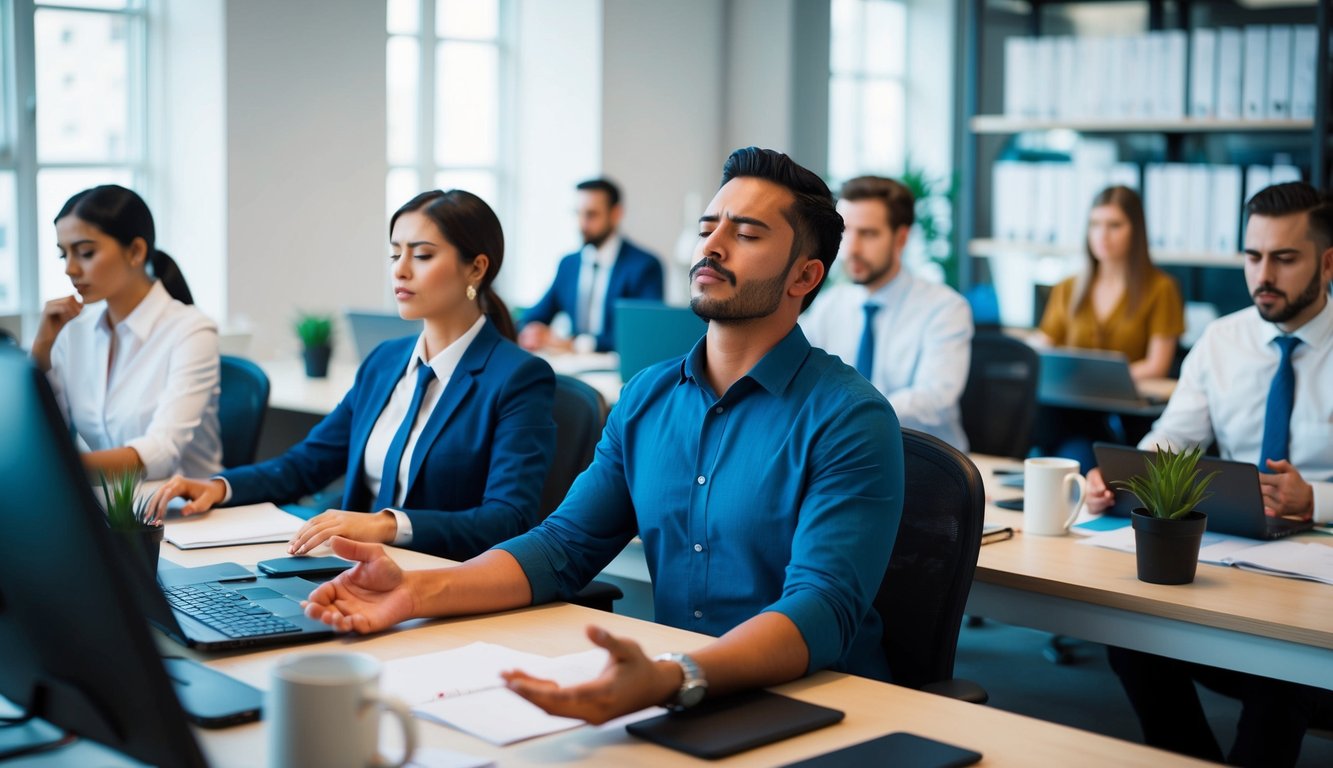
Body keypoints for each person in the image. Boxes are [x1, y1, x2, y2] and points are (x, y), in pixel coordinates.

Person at [305, 148, 904, 724]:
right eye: (706, 229)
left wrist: (677, 675)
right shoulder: (646, 398)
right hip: (678, 695)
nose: (712, 247)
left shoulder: (849, 418)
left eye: (746, 235)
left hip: (818, 705)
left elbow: (821, 609)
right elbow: (562, 546)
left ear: (805, 275)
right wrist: (415, 590)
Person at [148, 190, 557, 562]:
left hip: (442, 576)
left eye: (423, 255)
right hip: (356, 567)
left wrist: (385, 524)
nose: (400, 270)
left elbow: (508, 520)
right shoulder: (385, 361)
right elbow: (307, 464)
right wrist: (220, 488)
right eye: (395, 254)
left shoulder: (519, 377)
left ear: (476, 268)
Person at [1086, 182, 1333, 767]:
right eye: (1253, 256)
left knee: (1280, 664)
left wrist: (1315, 498)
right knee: (1132, 638)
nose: (1263, 274)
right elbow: (1173, 441)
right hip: (1246, 553)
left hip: (1321, 572)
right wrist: (1125, 476)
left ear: (1328, 262)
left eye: (1284, 258)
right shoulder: (1223, 341)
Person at [31, 184, 221, 481]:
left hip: (186, 513)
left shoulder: (192, 331)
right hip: (109, 509)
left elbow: (162, 451)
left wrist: (60, 470)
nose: (70, 269)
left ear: (135, 251)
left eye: (85, 252)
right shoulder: (74, 332)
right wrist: (41, 353)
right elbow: (48, 434)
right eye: (63, 255)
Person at [800, 175, 972, 450]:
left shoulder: (945, 308)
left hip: (923, 463)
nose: (851, 249)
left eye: (868, 234)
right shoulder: (828, 305)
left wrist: (850, 413)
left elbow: (935, 398)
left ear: (901, 238)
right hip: (843, 455)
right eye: (845, 233)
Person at [1033, 186, 1185, 465]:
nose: (1102, 235)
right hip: (1071, 412)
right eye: (1095, 225)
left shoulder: (1161, 289)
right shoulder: (1068, 287)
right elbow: (1045, 346)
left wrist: (1102, 378)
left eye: (1114, 225)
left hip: (1130, 416)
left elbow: (1157, 365)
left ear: (1135, 231)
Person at [518, 178, 664, 353]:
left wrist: (574, 343)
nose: (582, 224)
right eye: (577, 214)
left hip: (617, 371)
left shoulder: (645, 266)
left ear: (616, 214)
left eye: (591, 214)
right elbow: (537, 314)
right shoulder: (569, 264)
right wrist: (532, 330)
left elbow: (643, 334)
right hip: (573, 367)